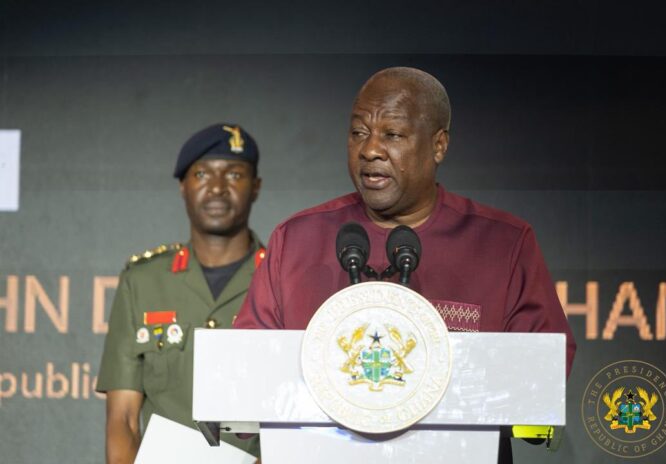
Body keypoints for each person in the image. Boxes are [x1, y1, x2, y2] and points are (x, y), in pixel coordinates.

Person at [234, 67, 576, 463]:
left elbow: (541, 376)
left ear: (438, 145)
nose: (370, 150)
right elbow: (245, 374)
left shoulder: (502, 243)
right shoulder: (296, 240)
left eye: (392, 135)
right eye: (358, 132)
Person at [97, 123, 264, 463]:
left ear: (256, 187)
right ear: (182, 187)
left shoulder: (282, 280)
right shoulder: (142, 281)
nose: (217, 188)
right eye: (202, 174)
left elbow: (298, 423)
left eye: (234, 174)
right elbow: (123, 419)